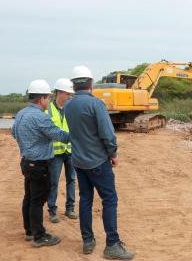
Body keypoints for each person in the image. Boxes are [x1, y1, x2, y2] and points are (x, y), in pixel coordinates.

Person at [65, 66, 135, 259]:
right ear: (90, 83)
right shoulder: (96, 104)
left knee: (85, 200)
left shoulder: (68, 105)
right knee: (109, 200)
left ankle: (88, 241)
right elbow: (107, 133)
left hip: (78, 162)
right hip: (97, 162)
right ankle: (112, 244)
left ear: (73, 84)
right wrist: (112, 153)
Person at [12, 80, 70, 247]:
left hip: (27, 162)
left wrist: (28, 142)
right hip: (39, 164)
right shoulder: (40, 117)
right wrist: (80, 134)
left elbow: (13, 132)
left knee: (29, 197)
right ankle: (39, 236)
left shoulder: (21, 113)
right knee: (37, 200)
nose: (49, 101)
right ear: (42, 98)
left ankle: (29, 231)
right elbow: (61, 136)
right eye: (48, 98)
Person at [46, 78, 77, 223]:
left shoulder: (72, 108)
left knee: (71, 179)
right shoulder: (48, 109)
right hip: (55, 153)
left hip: (71, 151)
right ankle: (52, 210)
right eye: (68, 94)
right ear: (59, 93)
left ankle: (70, 208)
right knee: (53, 182)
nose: (70, 97)